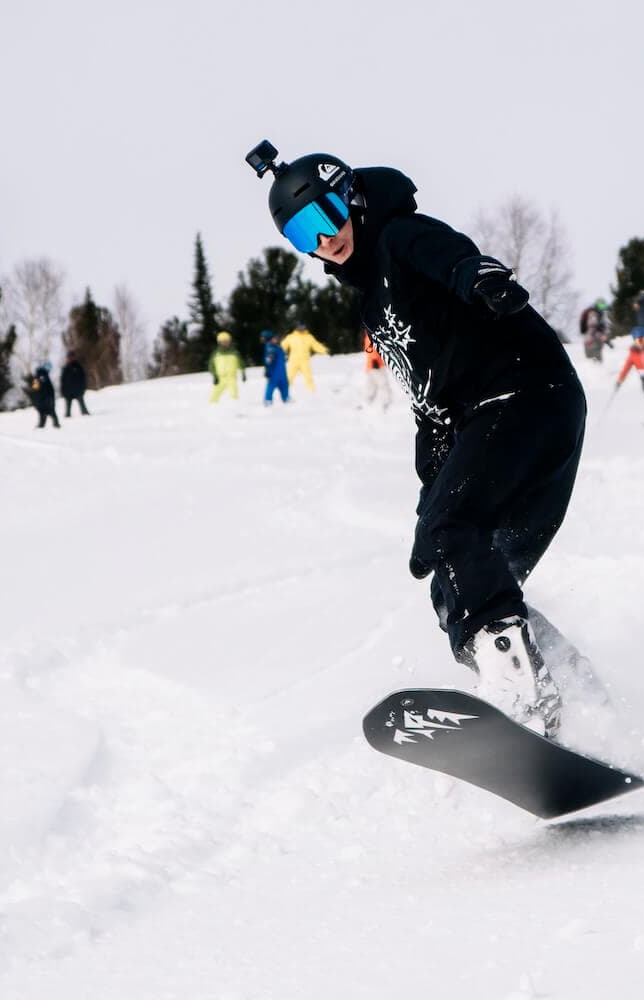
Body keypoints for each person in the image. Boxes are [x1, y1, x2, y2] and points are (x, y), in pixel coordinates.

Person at [248, 144, 584, 736]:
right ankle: (576, 699)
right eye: (303, 235)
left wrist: (479, 277)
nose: (324, 240)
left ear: (348, 195)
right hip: (521, 416)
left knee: (458, 537)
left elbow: (451, 257)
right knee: (468, 578)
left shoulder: (399, 238)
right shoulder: (371, 302)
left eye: (325, 217)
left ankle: (523, 692)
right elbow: (429, 400)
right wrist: (433, 495)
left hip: (522, 394)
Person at [280, 326, 330, 393]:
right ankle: (284, 392)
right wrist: (276, 352)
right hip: (293, 361)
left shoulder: (309, 337)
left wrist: (324, 350)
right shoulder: (291, 337)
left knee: (308, 377)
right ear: (296, 328)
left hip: (305, 361)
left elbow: (316, 345)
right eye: (299, 328)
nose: (301, 329)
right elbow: (283, 346)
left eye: (302, 328)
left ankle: (312, 391)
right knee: (289, 377)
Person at [208, 331, 245, 403]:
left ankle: (234, 407)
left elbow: (241, 364)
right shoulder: (216, 353)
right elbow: (211, 366)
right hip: (220, 378)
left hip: (232, 378)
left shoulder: (234, 353)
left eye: (226, 341)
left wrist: (243, 373)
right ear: (219, 342)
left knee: (234, 394)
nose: (225, 343)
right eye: (223, 342)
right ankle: (211, 408)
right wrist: (214, 376)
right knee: (214, 396)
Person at [361, 330, 391, 410]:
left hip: (371, 366)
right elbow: (371, 349)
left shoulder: (369, 336)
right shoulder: (371, 336)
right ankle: (386, 402)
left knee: (371, 386)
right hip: (376, 365)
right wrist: (374, 360)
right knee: (383, 384)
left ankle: (367, 403)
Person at [26, 363, 60, 429]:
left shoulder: (42, 376)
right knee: (48, 412)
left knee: (45, 413)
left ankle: (43, 426)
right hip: (43, 400)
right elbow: (36, 389)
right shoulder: (41, 376)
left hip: (43, 400)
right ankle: (49, 426)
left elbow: (35, 388)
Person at [262, 330, 290, 405]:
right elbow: (268, 361)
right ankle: (268, 400)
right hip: (274, 373)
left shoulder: (277, 347)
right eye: (274, 338)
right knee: (271, 386)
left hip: (282, 372)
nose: (276, 339)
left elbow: (283, 357)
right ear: (269, 339)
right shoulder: (270, 349)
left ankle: (286, 398)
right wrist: (267, 371)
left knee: (285, 385)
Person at [578, 299, 611, 363]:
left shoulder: (599, 314)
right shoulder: (593, 313)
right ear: (597, 305)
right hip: (591, 338)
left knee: (595, 353)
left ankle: (597, 367)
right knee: (593, 356)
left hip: (593, 337)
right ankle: (597, 367)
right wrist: (601, 336)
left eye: (603, 305)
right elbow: (592, 327)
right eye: (601, 305)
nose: (602, 307)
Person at [60, 351, 90, 417]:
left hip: (78, 390)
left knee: (82, 406)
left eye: (71, 357)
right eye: (69, 357)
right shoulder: (65, 368)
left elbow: (83, 378)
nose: (70, 359)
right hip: (68, 391)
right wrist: (63, 391)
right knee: (67, 409)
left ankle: (85, 415)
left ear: (74, 357)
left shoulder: (78, 366)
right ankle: (68, 417)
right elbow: (62, 380)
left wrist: (83, 388)